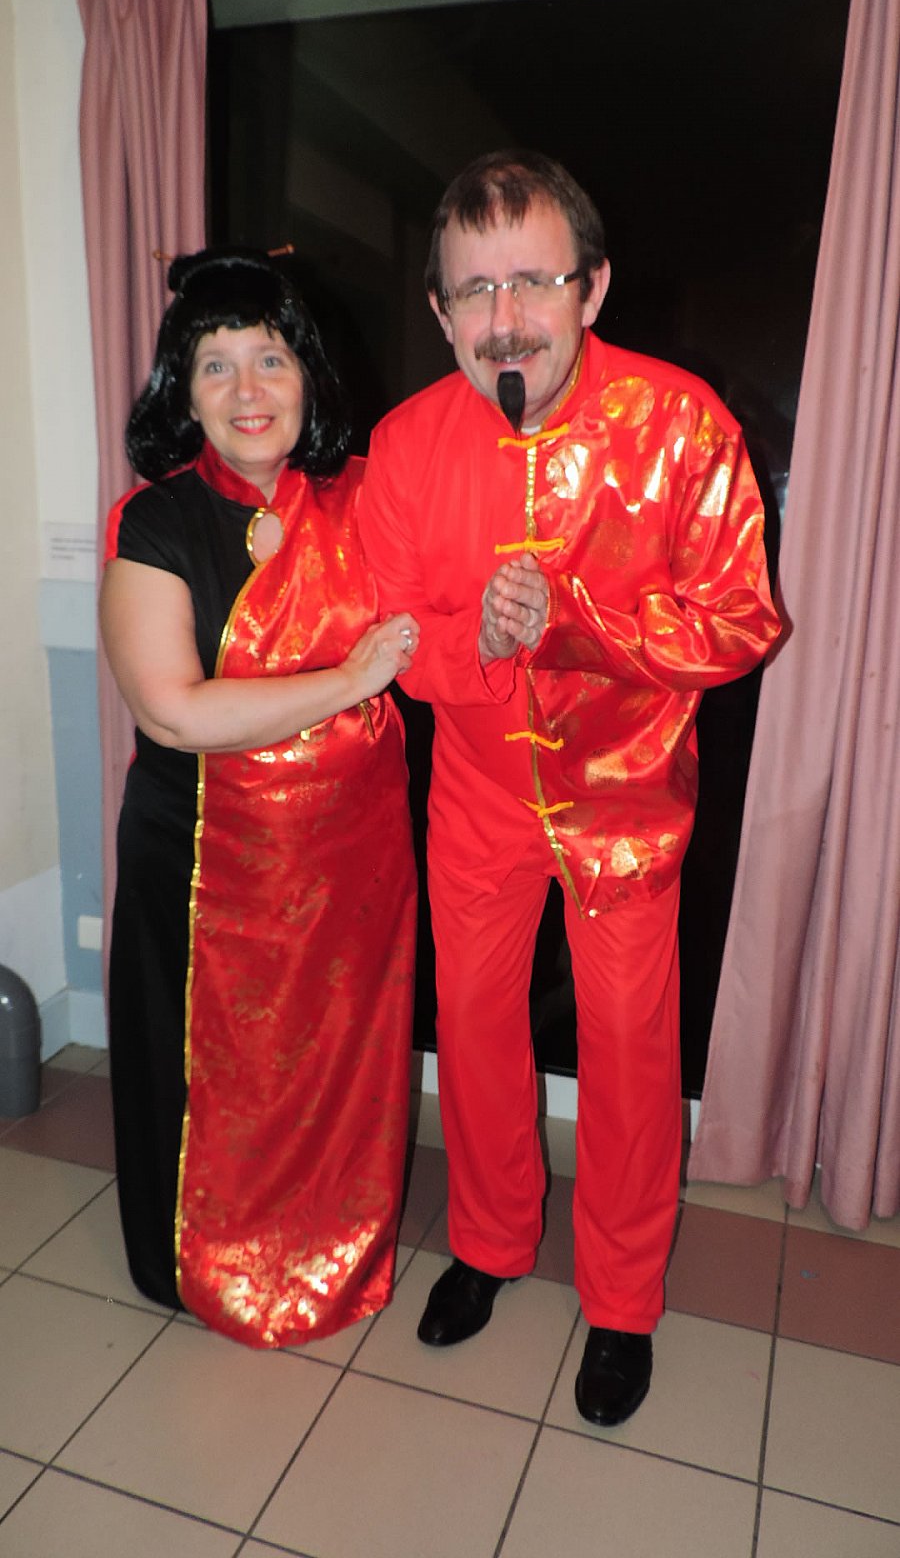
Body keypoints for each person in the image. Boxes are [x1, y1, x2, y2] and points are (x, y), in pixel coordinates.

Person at [358, 151, 781, 1425]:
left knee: (633, 1056)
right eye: (474, 289)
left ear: (591, 289)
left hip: (627, 801)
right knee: (478, 1031)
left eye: (533, 281)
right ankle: (489, 1240)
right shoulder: (405, 445)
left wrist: (579, 622)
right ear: (439, 310)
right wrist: (478, 643)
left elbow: (741, 622)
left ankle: (624, 1298)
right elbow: (387, 637)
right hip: (478, 798)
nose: (505, 319)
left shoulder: (683, 424)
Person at [101, 247, 419, 1348]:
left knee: (337, 1062)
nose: (248, 390)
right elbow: (173, 713)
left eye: (270, 359)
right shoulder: (155, 522)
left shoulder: (367, 501)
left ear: (308, 377)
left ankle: (333, 1239)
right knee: (195, 1067)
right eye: (216, 366)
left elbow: (443, 607)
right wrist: (350, 681)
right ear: (181, 395)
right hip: (201, 866)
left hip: (348, 866)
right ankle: (191, 1260)